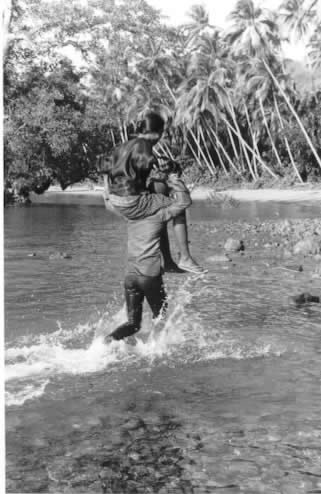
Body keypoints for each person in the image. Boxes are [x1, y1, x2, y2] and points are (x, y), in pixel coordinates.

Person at [101, 110, 205, 274]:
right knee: (179, 209)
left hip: (116, 199)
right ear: (158, 133)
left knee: (161, 211)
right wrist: (166, 173)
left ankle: (168, 262)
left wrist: (107, 195)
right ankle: (185, 258)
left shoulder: (124, 145)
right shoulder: (144, 147)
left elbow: (105, 167)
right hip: (132, 201)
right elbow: (147, 164)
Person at [106, 168, 193, 341]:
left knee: (133, 324)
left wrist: (105, 184)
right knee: (161, 317)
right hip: (149, 276)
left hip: (130, 277)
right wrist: (175, 181)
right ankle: (156, 350)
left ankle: (106, 341)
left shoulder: (129, 216)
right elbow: (184, 202)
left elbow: (109, 202)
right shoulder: (158, 215)